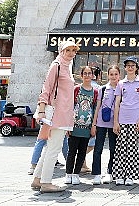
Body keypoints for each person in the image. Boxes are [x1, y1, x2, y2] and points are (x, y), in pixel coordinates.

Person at [31, 40, 79, 193]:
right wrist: (42, 109)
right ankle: (46, 182)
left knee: (49, 148)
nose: (71, 53)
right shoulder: (56, 65)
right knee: (54, 148)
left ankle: (38, 179)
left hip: (63, 112)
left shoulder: (67, 66)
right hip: (56, 112)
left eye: (73, 50)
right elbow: (46, 87)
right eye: (68, 50)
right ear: (61, 51)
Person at [113, 56, 139, 185]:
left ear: (136, 68)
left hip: (135, 119)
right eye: (128, 65)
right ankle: (120, 175)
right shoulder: (121, 83)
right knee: (121, 147)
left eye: (133, 65)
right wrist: (115, 122)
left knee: (132, 148)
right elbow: (117, 103)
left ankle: (131, 175)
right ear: (125, 68)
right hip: (122, 119)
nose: (130, 67)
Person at [65, 66, 99, 185]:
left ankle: (76, 174)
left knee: (82, 152)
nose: (87, 75)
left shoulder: (95, 92)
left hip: (87, 127)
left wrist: (94, 125)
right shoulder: (76, 89)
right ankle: (68, 174)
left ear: (93, 75)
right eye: (85, 73)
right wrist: (68, 125)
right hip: (74, 126)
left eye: (89, 73)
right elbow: (69, 106)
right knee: (71, 151)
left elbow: (95, 109)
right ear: (81, 75)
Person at [90, 64, 120, 185]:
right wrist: (94, 123)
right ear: (108, 75)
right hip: (102, 123)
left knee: (113, 149)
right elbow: (98, 107)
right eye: (111, 74)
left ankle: (110, 172)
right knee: (98, 149)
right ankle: (97, 174)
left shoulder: (121, 88)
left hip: (115, 123)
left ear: (119, 75)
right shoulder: (102, 89)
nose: (113, 77)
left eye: (116, 74)